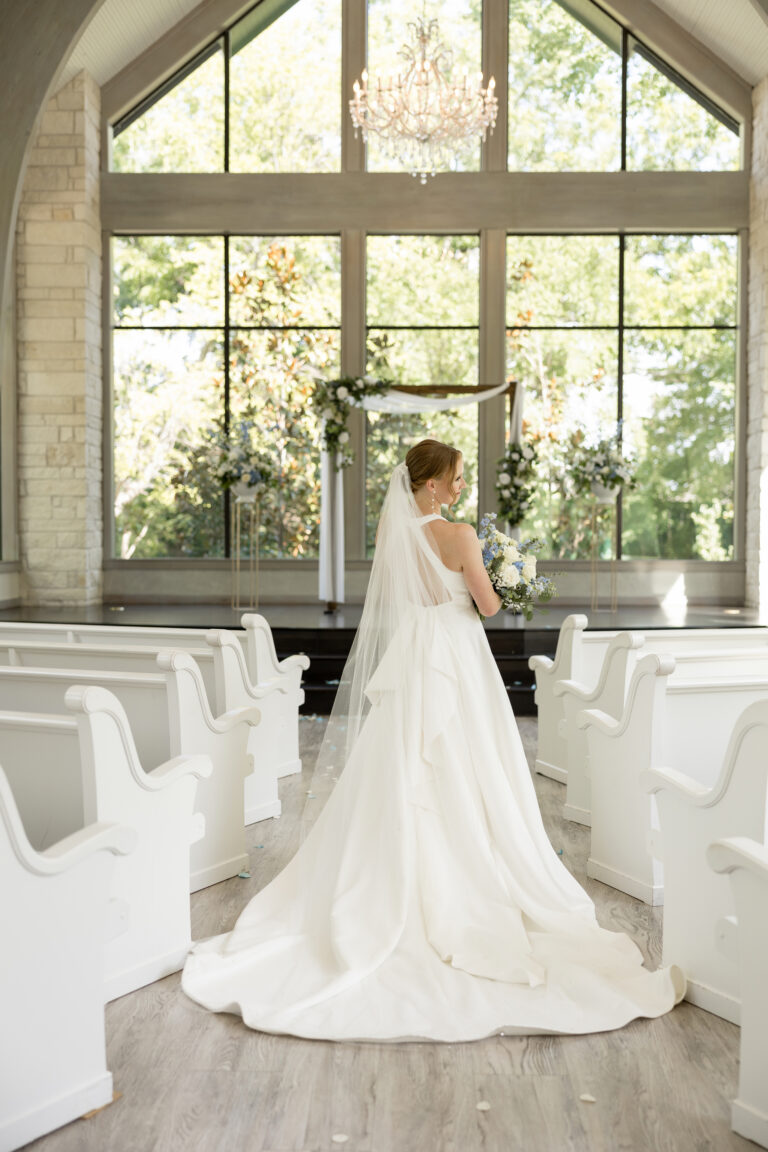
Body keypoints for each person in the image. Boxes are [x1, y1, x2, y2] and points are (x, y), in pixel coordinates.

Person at [182, 438, 684, 1042]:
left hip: (417, 654)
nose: (459, 485)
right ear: (429, 484)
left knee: (403, 756)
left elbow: (412, 597)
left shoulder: (396, 535)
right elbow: (487, 606)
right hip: (458, 654)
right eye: (454, 477)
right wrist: (504, 580)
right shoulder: (460, 534)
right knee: (471, 758)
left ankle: (390, 872)